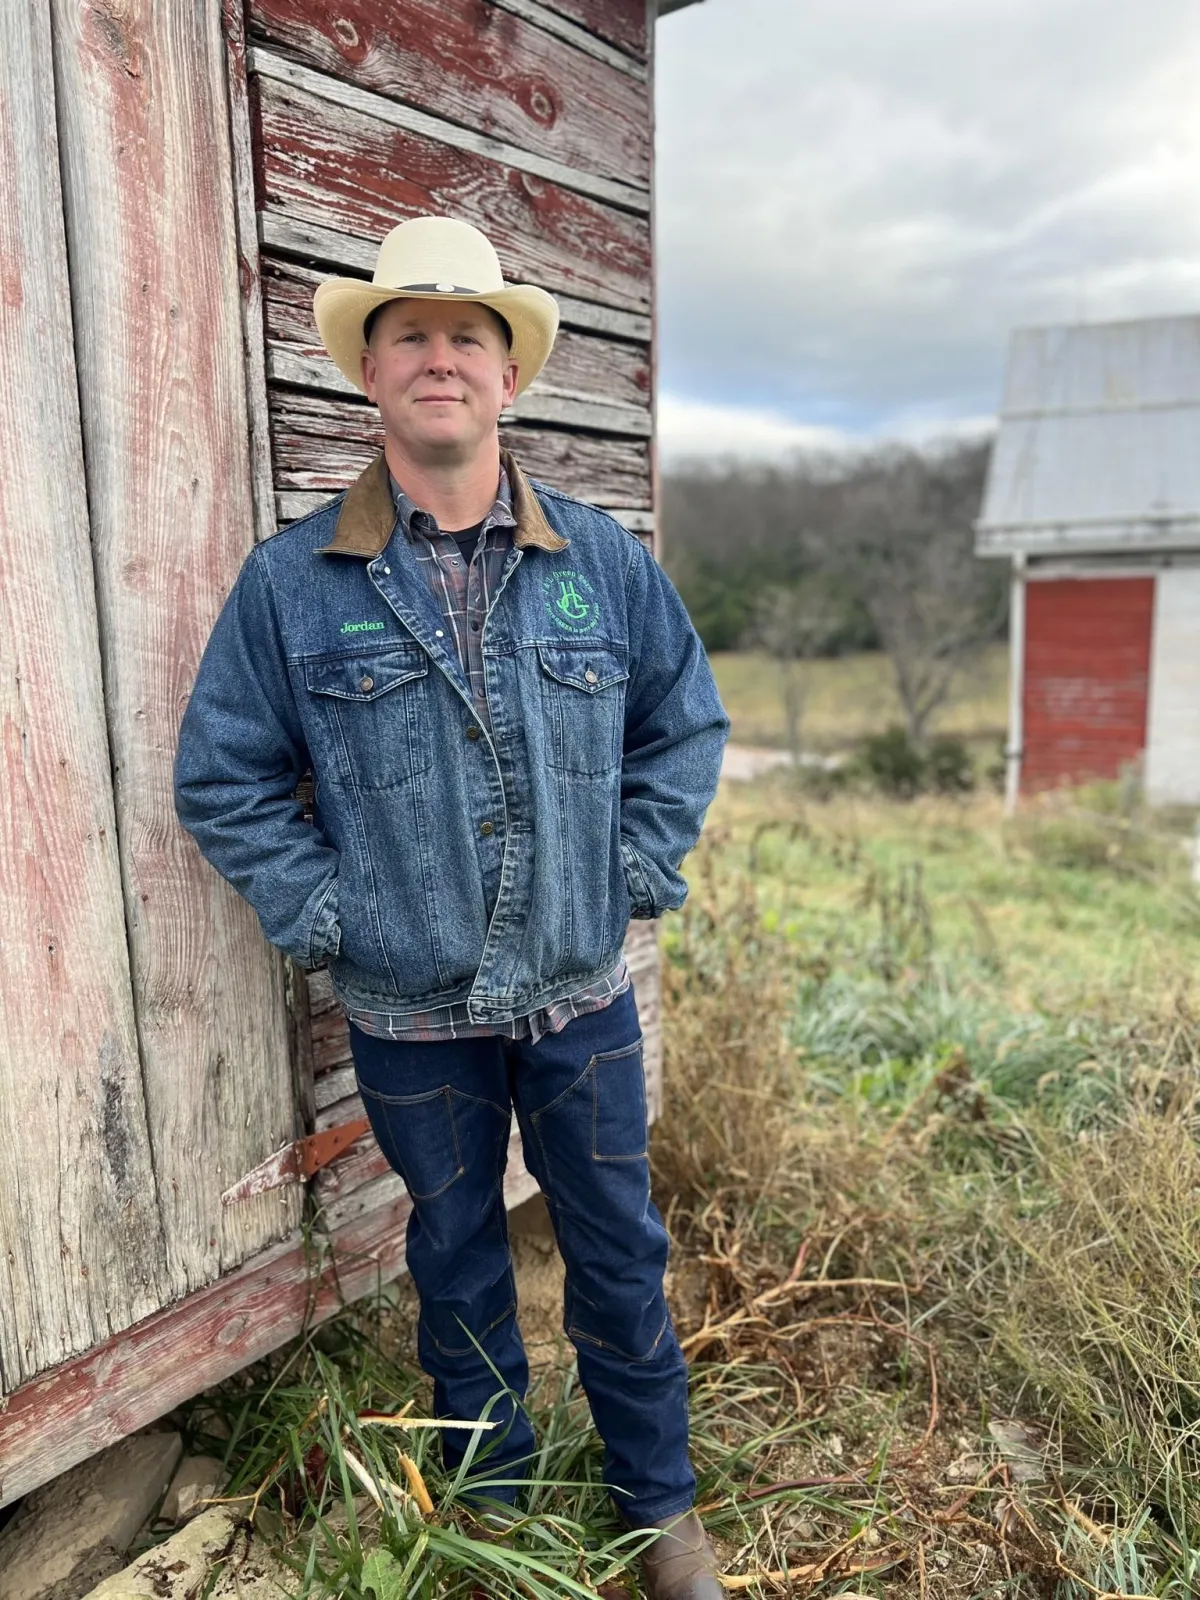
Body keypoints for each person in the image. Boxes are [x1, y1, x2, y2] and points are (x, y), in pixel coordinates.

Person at [174, 215, 730, 1599]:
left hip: (580, 991)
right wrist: (331, 915)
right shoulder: (292, 587)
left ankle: (661, 1509)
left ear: (507, 376)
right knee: (457, 1253)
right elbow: (224, 778)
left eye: (464, 336)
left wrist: (634, 872)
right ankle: (494, 1499)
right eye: (408, 335)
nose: (438, 359)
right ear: (370, 374)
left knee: (616, 1253)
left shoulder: (598, 563)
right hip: (409, 1012)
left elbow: (685, 728)